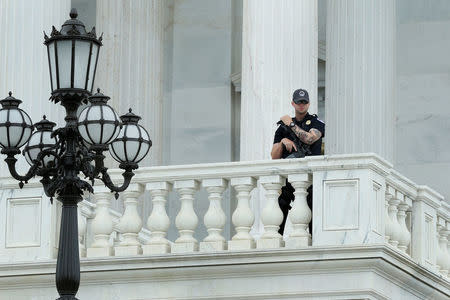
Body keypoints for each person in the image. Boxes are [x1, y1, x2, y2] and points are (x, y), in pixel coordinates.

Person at [271, 88, 325, 235]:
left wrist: (291, 125)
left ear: (308, 104)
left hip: (310, 178)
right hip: (288, 177)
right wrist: (283, 141)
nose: (301, 105)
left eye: (304, 102)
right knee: (280, 204)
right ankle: (276, 239)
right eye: (298, 102)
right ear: (293, 103)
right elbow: (274, 156)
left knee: (312, 210)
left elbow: (309, 138)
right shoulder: (282, 127)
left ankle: (315, 242)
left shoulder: (316, 122)